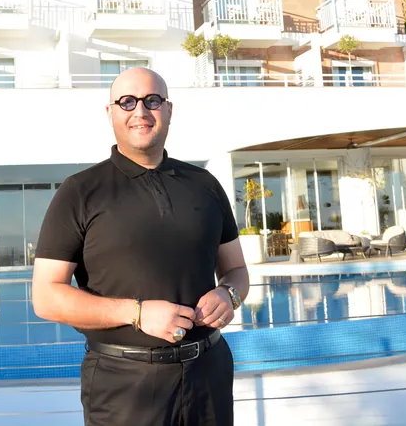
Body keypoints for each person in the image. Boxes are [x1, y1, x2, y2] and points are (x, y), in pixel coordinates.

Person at [32, 67, 249, 425]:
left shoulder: (205, 185)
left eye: (153, 100)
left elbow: (236, 270)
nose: (141, 111)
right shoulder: (80, 191)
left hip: (209, 377)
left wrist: (229, 295)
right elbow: (46, 297)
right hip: (124, 385)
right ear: (110, 112)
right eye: (127, 102)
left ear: (169, 110)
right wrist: (136, 313)